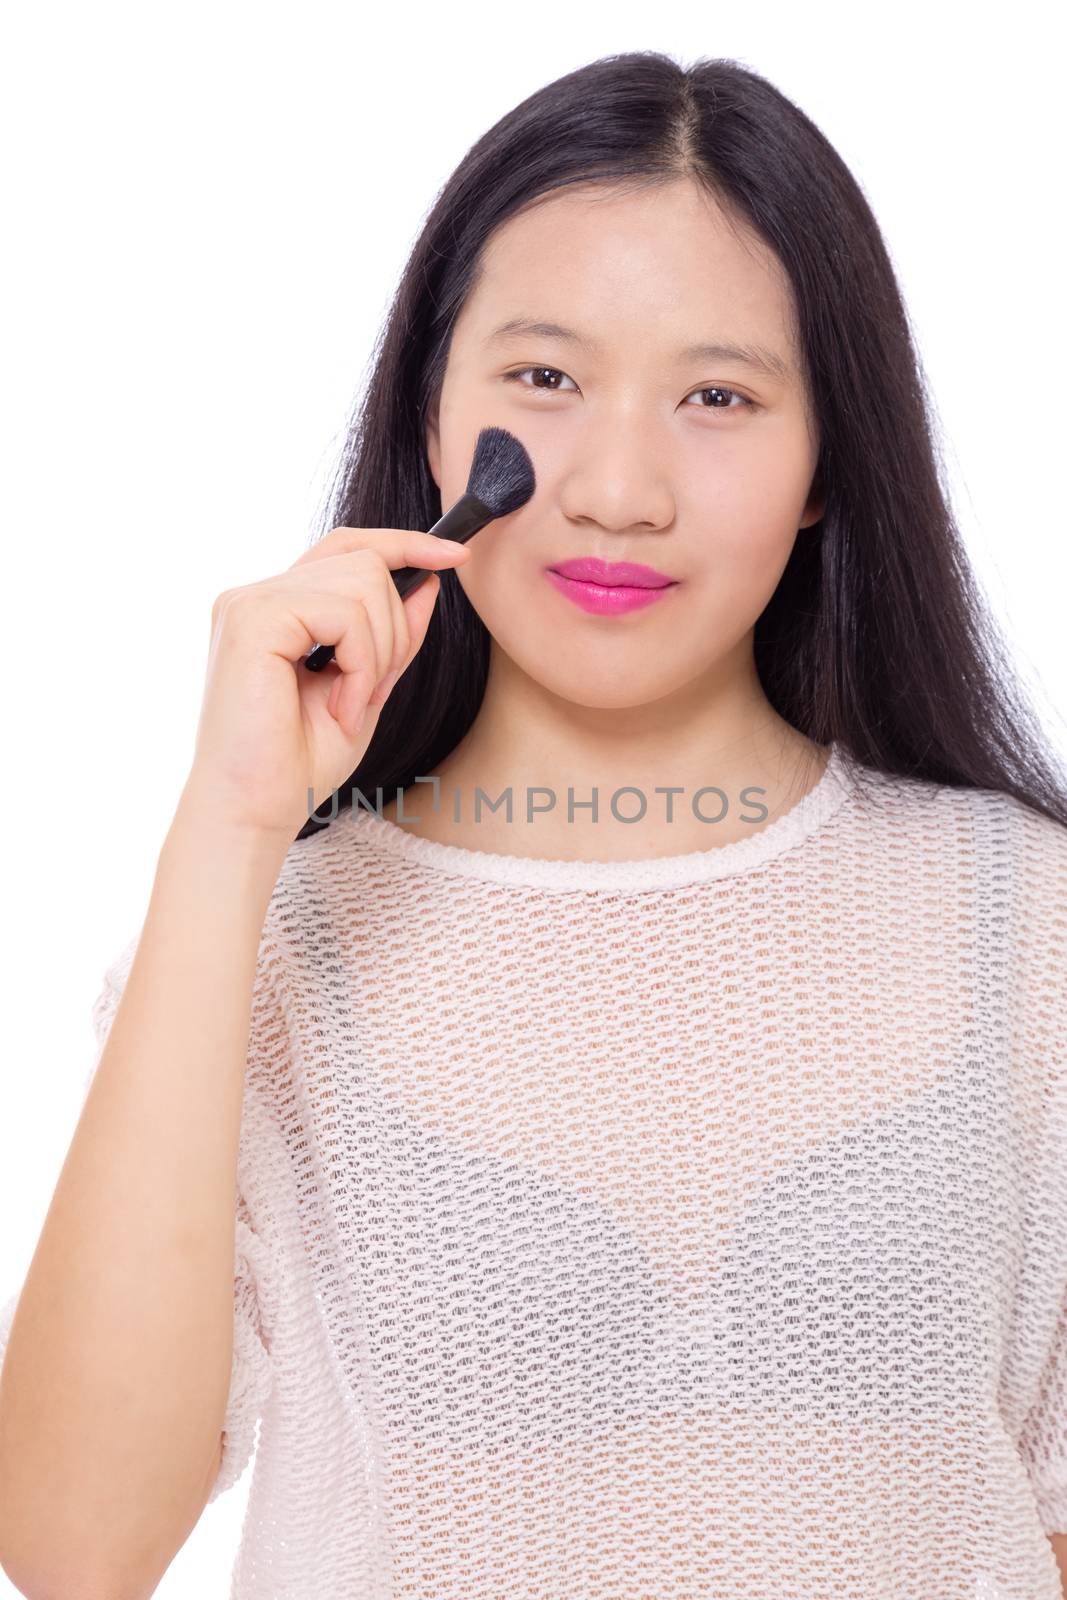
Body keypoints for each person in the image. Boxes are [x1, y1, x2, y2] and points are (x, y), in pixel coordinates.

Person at [1, 49, 1066, 1600]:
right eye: (547, 379)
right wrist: (227, 835)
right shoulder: (272, 946)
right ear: (432, 412)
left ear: (830, 455)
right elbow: (67, 1546)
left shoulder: (1025, 921)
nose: (618, 490)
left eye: (718, 395)